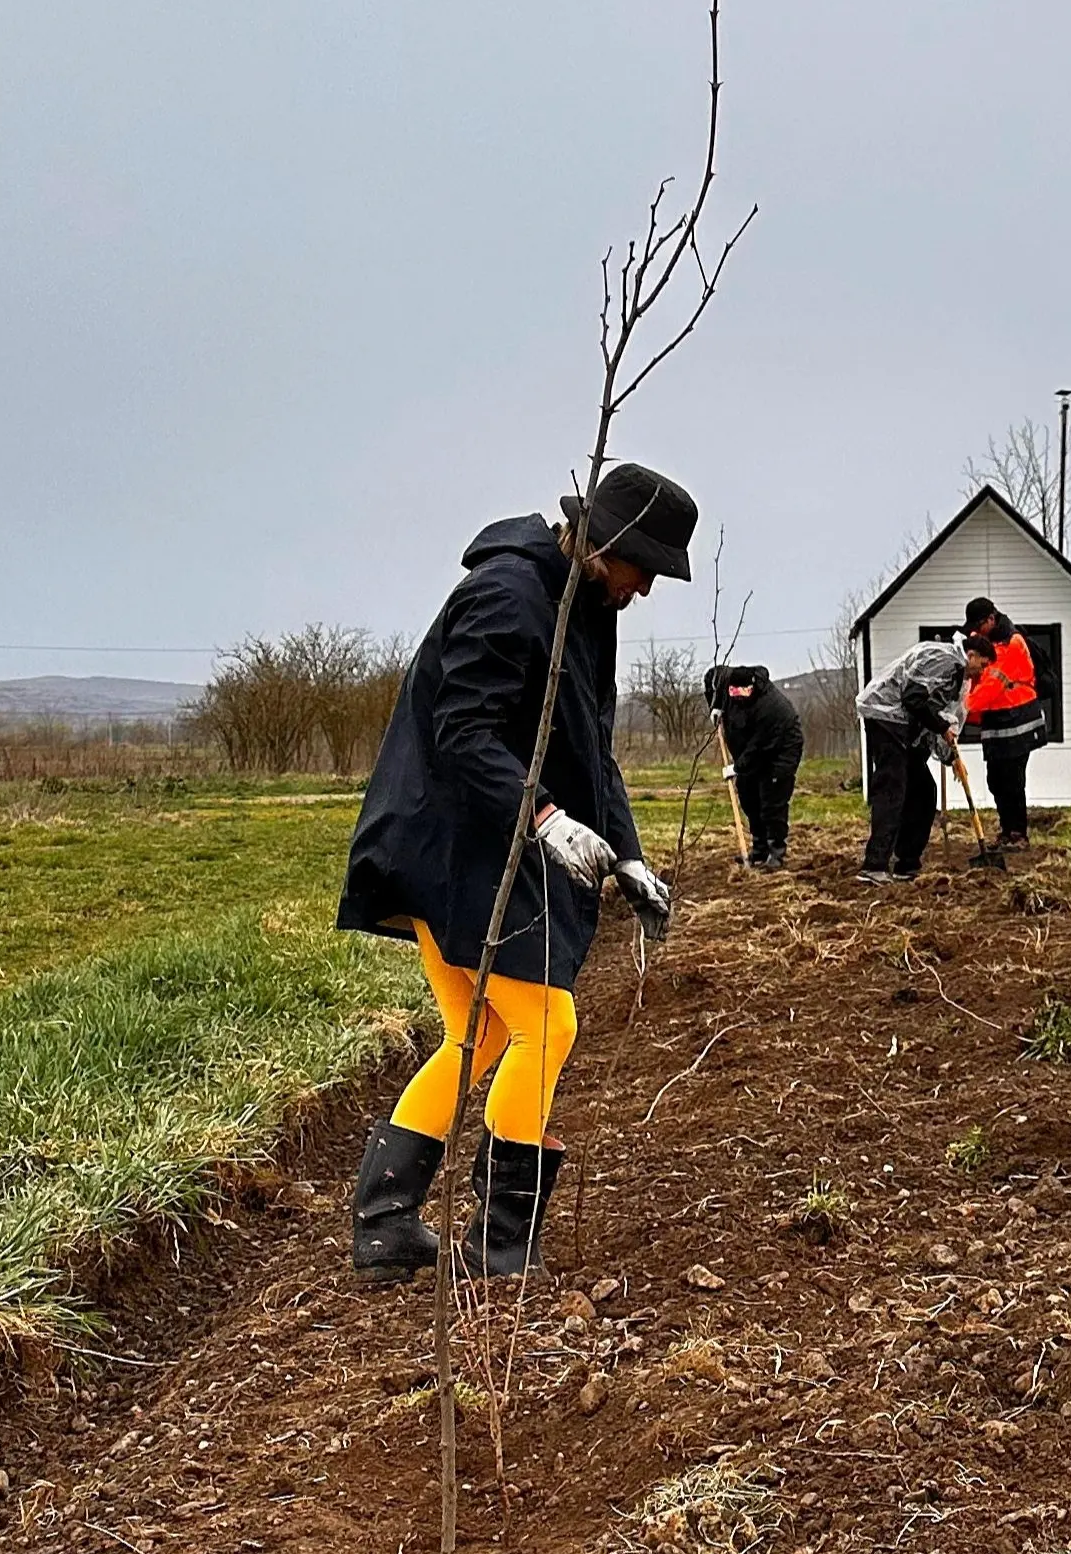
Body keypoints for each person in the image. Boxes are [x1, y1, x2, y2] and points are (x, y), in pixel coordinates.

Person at [337, 462, 696, 1282]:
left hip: (477, 846)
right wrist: (544, 819)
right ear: (605, 543)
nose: (645, 589)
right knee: (546, 1025)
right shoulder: (508, 597)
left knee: (481, 1034)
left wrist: (628, 856)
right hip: (447, 846)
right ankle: (500, 1243)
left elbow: (591, 749)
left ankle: (385, 1225)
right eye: (644, 567)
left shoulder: (584, 610)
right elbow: (464, 732)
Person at [854, 631, 997, 881]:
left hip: (905, 727)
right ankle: (874, 866)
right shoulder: (943, 659)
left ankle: (907, 863)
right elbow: (913, 699)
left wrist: (950, 756)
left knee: (923, 791)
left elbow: (938, 714)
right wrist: (941, 727)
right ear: (971, 655)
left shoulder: (958, 678)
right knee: (892, 788)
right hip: (886, 718)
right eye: (983, 665)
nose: (982, 672)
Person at [702, 661, 806, 869]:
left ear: (751, 688)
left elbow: (759, 746)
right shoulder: (726, 680)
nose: (735, 697)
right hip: (751, 750)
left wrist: (737, 767)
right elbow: (710, 678)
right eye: (732, 693)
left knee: (771, 801)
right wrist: (715, 706)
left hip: (780, 751)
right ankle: (760, 849)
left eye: (740, 694)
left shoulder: (771, 708)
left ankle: (776, 853)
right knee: (748, 796)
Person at [961, 596, 1045, 849]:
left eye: (979, 625)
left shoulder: (1012, 644)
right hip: (996, 721)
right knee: (996, 779)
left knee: (1013, 779)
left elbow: (991, 686)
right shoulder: (983, 640)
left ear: (991, 619)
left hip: (1018, 719)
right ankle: (1007, 830)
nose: (975, 631)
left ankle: (1018, 834)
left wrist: (962, 709)